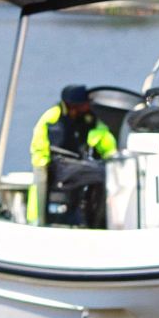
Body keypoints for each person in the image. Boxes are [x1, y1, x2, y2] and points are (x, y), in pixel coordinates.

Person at [28, 84, 117, 225]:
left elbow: (103, 137)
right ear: (72, 105)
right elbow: (40, 143)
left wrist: (112, 156)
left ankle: (92, 220)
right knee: (98, 174)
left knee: (102, 174)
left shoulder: (89, 118)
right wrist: (42, 166)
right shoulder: (53, 117)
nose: (87, 106)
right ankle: (40, 221)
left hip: (78, 164)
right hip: (58, 163)